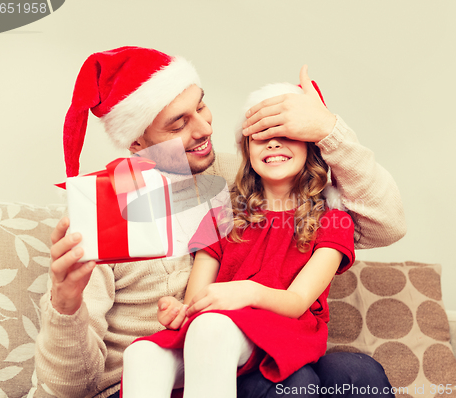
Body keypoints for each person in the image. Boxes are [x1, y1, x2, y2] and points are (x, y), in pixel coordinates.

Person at [35, 46, 405, 398]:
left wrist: (328, 130)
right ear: (137, 142)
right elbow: (64, 388)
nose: (204, 129)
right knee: (296, 381)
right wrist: (66, 305)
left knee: (358, 376)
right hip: (161, 364)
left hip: (248, 342)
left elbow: (386, 224)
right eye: (179, 123)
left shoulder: (242, 179)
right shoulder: (102, 214)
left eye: (201, 107)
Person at [121, 81, 356, 398]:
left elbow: (297, 302)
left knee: (211, 328)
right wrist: (181, 311)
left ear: (310, 148)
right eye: (261, 137)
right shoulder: (221, 216)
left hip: (284, 329)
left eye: (286, 136)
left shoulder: (332, 220)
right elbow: (198, 300)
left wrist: (246, 292)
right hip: (216, 329)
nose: (272, 144)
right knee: (142, 353)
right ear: (248, 150)